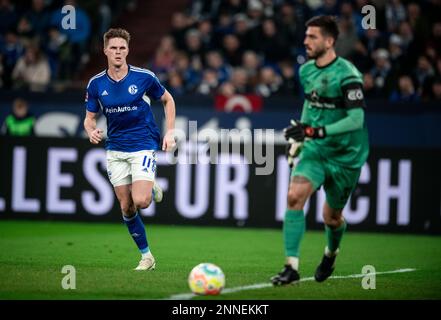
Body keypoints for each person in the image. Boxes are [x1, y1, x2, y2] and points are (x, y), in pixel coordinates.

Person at [271, 16, 369, 285]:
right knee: (294, 196)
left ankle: (330, 254)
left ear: (329, 41)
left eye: (312, 36)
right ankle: (290, 267)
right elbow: (311, 105)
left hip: (346, 156)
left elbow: (355, 120)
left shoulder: (348, 74)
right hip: (316, 151)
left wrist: (315, 132)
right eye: (306, 36)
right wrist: (303, 134)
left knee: (332, 217)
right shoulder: (306, 71)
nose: (306, 41)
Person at [84, 28, 176, 271]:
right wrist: (90, 129)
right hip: (115, 148)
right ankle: (147, 257)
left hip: (143, 143)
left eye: (122, 48)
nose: (118, 52)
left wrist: (170, 131)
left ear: (128, 50)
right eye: (113, 48)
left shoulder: (143, 77)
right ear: (105, 50)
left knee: (142, 201)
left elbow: (168, 99)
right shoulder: (96, 84)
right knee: (126, 207)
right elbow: (89, 117)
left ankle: (148, 183)